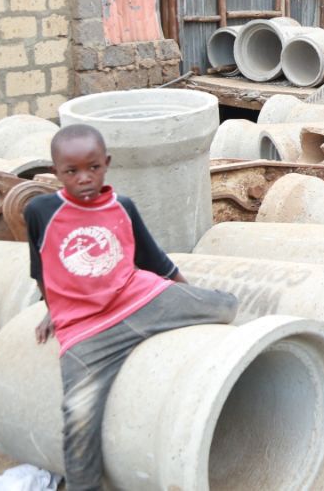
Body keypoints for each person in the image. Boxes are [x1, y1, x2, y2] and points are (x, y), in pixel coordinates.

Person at [25, 125, 239, 491]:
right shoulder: (41, 211)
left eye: (93, 167)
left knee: (225, 306)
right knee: (78, 417)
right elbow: (42, 269)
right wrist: (53, 309)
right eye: (71, 171)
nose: (84, 179)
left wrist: (186, 298)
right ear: (56, 172)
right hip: (87, 330)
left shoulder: (122, 207)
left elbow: (156, 262)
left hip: (140, 300)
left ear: (106, 164)